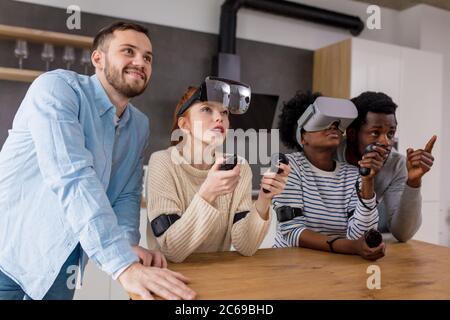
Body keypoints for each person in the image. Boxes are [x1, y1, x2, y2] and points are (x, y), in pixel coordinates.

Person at [0, 21, 195, 300]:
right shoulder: (57, 88)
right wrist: (122, 265)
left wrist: (127, 244)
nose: (140, 62)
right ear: (98, 58)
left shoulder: (138, 125)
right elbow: (73, 177)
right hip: (10, 256)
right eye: (128, 51)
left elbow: (127, 193)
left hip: (62, 263)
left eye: (148, 57)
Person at [146, 77, 290, 263]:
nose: (219, 118)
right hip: (168, 276)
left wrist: (264, 199)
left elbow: (245, 246)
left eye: (224, 112)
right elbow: (171, 250)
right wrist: (208, 193)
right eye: (206, 109)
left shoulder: (239, 167)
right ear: (184, 125)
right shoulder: (163, 162)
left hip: (216, 275)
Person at [273, 92, 385, 261]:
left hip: (336, 268)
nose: (333, 126)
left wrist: (367, 182)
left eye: (336, 123)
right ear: (302, 136)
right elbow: (291, 231)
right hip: (290, 266)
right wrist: (351, 247)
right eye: (323, 122)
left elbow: (361, 235)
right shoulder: (288, 166)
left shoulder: (353, 174)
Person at [337, 91, 436, 242]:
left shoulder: (396, 164)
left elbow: (403, 234)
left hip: (358, 247)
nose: (386, 142)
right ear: (351, 133)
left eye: (391, 133)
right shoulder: (329, 154)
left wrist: (413, 183)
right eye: (375, 133)